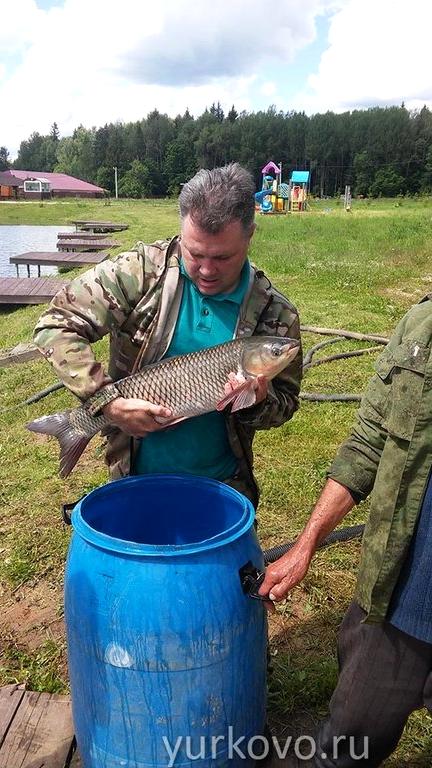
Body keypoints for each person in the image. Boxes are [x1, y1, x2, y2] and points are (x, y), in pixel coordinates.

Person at [33, 163, 302, 507]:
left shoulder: (275, 314)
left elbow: (286, 404)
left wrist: (257, 401)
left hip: (223, 483)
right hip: (133, 476)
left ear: (250, 236)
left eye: (222, 257)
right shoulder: (141, 273)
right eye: (195, 253)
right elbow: (56, 322)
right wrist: (107, 403)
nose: (206, 270)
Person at [259, 295, 432, 766]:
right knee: (345, 743)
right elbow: (368, 441)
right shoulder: (421, 326)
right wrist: (304, 546)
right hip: (401, 593)